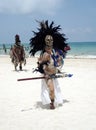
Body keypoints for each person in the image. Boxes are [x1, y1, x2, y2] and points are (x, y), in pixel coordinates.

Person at [29, 20, 70, 109]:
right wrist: (42, 68)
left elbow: (59, 61)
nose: (49, 41)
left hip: (54, 74)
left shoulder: (55, 52)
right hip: (47, 75)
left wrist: (62, 54)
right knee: (51, 89)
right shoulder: (45, 54)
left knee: (55, 89)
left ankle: (53, 100)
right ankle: (51, 103)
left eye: (51, 39)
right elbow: (40, 66)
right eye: (48, 40)